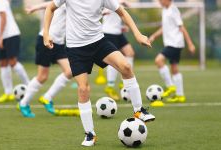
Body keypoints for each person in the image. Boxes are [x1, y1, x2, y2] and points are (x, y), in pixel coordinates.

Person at [43, 0, 155, 146]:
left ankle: (139, 110)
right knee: (83, 89)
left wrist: (138, 34)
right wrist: (46, 33)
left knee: (126, 66)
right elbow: (50, 8)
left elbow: (122, 11)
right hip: (76, 48)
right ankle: (90, 134)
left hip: (98, 42)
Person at [18, 2, 72, 117]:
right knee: (42, 77)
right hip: (46, 40)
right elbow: (50, 4)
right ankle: (23, 103)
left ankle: (47, 97)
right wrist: (35, 8)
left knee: (70, 71)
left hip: (59, 43)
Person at [0, 0, 30, 103]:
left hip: (10, 35)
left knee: (12, 62)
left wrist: (0, 36)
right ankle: (8, 93)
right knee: (3, 63)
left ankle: (29, 86)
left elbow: (4, 18)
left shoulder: (0, 1)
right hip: (4, 36)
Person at [149, 0, 195, 104]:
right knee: (174, 68)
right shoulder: (165, 10)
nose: (159, 1)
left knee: (158, 60)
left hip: (174, 43)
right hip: (173, 43)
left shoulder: (173, 10)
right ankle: (180, 95)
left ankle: (170, 86)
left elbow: (182, 27)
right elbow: (164, 28)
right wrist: (154, 36)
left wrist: (190, 43)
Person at [102, 0, 136, 101]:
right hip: (109, 33)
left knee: (130, 53)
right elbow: (102, 12)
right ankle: (110, 86)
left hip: (118, 33)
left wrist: (122, 27)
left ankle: (124, 81)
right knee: (113, 60)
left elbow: (122, 13)